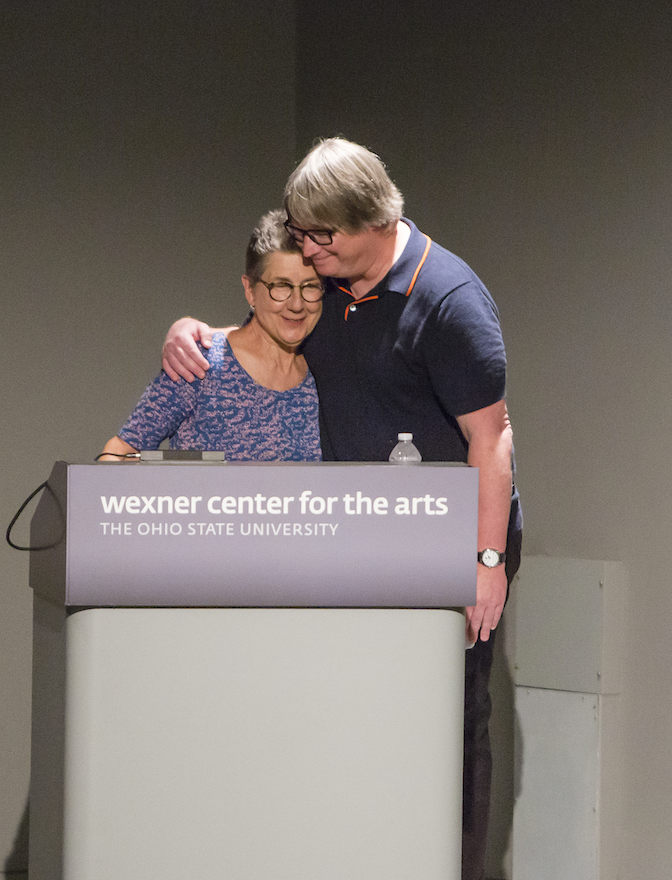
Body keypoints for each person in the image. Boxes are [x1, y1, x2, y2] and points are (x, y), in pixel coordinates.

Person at [162, 137, 522, 880]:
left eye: (318, 235)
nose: (307, 248)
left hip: (446, 550)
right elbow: (265, 327)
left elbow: (493, 440)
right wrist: (192, 330)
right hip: (353, 538)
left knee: (448, 725)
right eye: (299, 233)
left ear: (370, 223)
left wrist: (485, 564)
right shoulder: (328, 291)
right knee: (350, 719)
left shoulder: (447, 300)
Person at [100, 209, 323, 462]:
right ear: (250, 290)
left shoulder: (324, 373)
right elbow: (120, 451)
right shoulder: (200, 363)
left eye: (310, 287)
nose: (296, 304)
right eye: (281, 286)